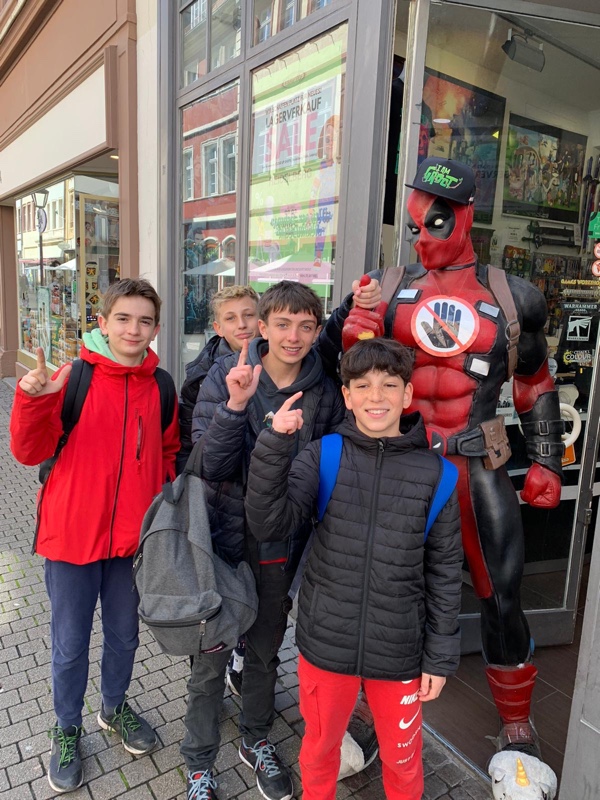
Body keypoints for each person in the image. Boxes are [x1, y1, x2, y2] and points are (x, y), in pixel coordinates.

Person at [321, 158, 564, 782]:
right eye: (414, 227)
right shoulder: (386, 288)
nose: (422, 238)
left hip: (476, 464)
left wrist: (547, 460)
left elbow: (535, 381)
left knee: (501, 594)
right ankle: (371, 714)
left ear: (466, 217)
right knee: (386, 590)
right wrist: (355, 333)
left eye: (435, 222)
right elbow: (355, 375)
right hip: (402, 467)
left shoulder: (514, 297)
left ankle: (516, 722)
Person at [244, 337, 463, 800]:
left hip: (400, 651)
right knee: (320, 749)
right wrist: (274, 444)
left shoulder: (438, 475)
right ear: (347, 396)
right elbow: (269, 522)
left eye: (389, 385)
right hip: (326, 643)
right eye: (362, 386)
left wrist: (439, 658)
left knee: (402, 760)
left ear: (407, 394)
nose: (375, 396)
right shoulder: (323, 454)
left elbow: (444, 574)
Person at [10, 279, 180, 795]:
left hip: (132, 544)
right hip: (71, 539)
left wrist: (159, 505)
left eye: (144, 321)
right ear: (103, 323)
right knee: (70, 644)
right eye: (123, 318)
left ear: (156, 328)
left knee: (125, 637)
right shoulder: (73, 377)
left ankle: (113, 708)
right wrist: (31, 400)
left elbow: (168, 451)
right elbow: (27, 451)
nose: (133, 329)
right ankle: (66, 727)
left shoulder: (161, 386)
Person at [182, 281, 349, 800]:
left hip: (280, 543)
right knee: (210, 658)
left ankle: (256, 740)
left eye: (305, 326)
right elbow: (207, 464)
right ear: (262, 327)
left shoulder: (325, 391)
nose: (293, 336)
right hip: (222, 539)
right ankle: (198, 762)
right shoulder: (225, 374)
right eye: (282, 324)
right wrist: (235, 406)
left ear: (317, 331)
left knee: (264, 652)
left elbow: (330, 466)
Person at [178, 284, 260, 697]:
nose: (242, 324)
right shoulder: (201, 375)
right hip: (217, 501)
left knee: (253, 589)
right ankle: (205, 674)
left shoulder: (279, 359)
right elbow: (190, 447)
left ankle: (241, 659)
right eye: (231, 318)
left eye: (249, 315)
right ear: (217, 326)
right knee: (217, 591)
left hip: (260, 503)